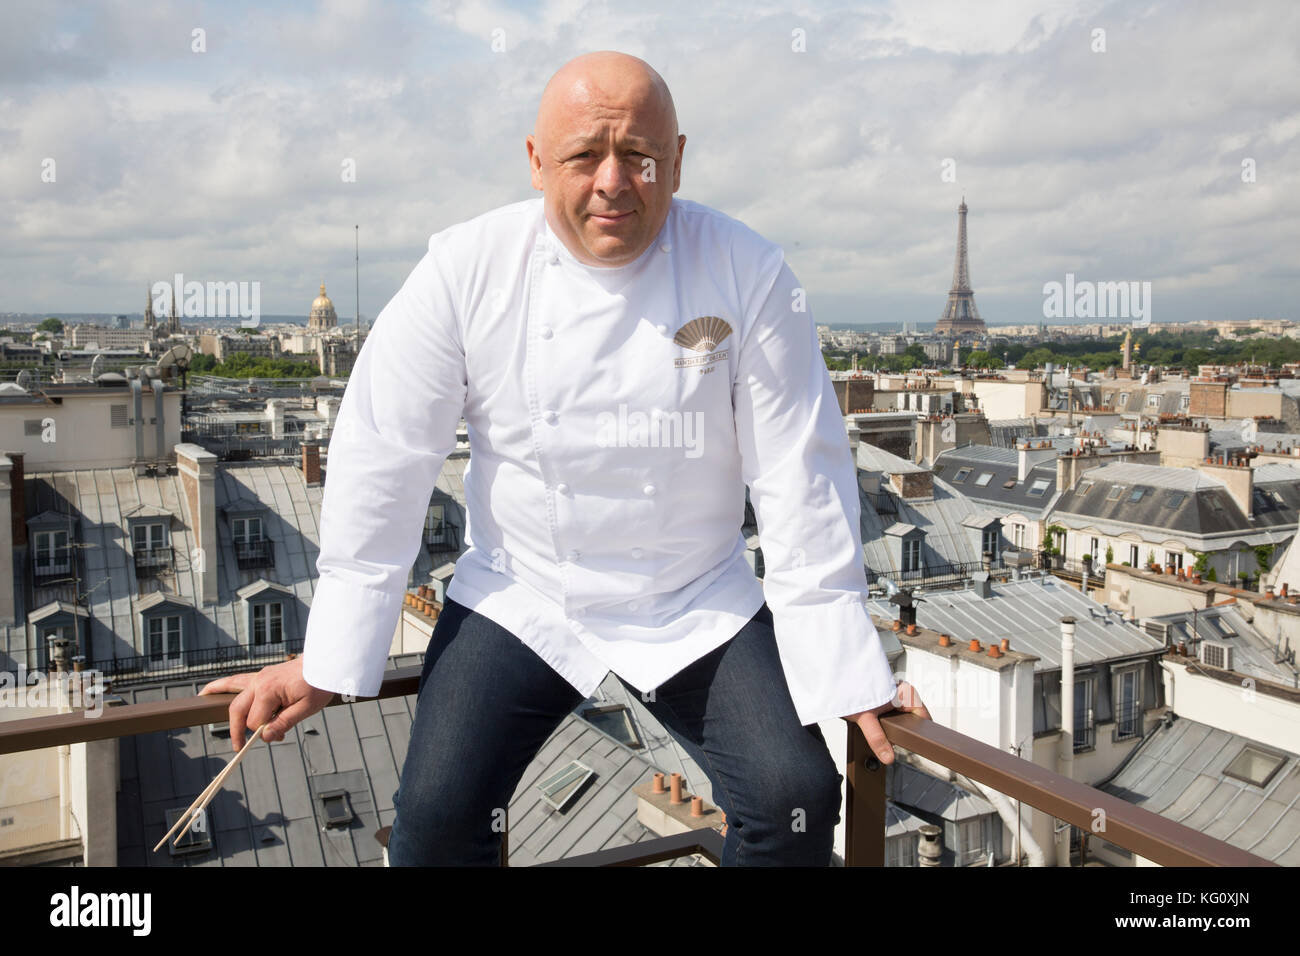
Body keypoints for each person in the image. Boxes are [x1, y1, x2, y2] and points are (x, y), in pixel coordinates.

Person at [201, 50, 930, 866]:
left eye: (641, 155)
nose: (614, 180)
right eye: (585, 154)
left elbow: (801, 472)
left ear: (678, 160)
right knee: (437, 817)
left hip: (691, 594)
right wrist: (334, 654)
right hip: (524, 590)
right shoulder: (464, 271)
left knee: (793, 795)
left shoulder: (749, 271)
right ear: (536, 161)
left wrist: (844, 664)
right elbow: (384, 456)